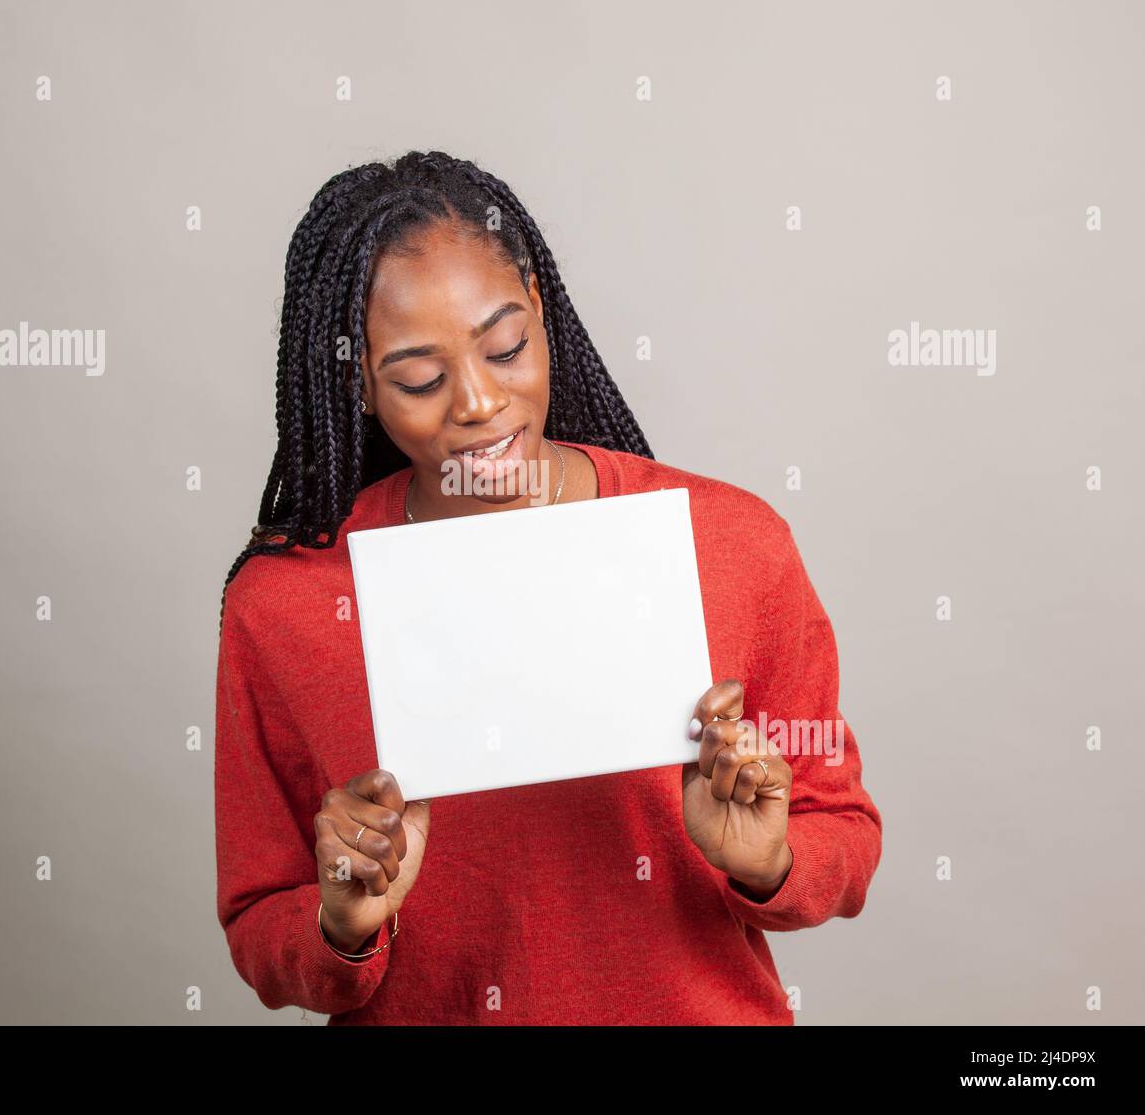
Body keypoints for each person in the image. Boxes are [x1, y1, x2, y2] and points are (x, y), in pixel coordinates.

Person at [214, 149, 882, 1025]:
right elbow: (260, 920)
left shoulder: (730, 543)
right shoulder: (288, 605)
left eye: (505, 347)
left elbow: (846, 833)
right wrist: (342, 926)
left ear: (538, 303)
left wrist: (770, 859)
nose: (480, 402)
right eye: (419, 378)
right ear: (358, 384)